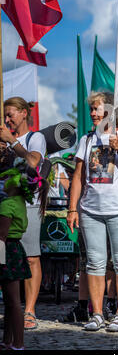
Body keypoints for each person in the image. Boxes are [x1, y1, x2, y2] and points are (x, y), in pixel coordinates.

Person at [68, 91, 118, 333]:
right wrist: (73, 208)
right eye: (91, 109)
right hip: (91, 210)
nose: (93, 113)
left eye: (97, 109)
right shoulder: (86, 140)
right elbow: (78, 177)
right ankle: (97, 313)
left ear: (111, 111)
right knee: (94, 263)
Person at [0, 97, 46, 331]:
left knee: (30, 257)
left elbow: (33, 162)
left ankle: (29, 310)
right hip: (2, 206)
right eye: (5, 116)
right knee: (2, 258)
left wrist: (11, 142)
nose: (8, 120)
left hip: (27, 205)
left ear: (24, 113)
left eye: (11, 115)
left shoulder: (34, 138)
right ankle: (11, 309)